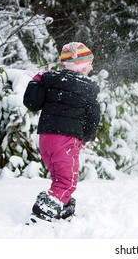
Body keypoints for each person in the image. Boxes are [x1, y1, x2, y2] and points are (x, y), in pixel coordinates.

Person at [23, 42, 101, 222]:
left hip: (45, 138)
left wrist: (36, 81)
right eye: (89, 63)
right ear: (81, 66)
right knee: (68, 181)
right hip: (67, 140)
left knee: (58, 176)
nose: (91, 67)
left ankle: (63, 206)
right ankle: (43, 210)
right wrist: (85, 138)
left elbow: (32, 104)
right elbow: (93, 118)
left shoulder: (49, 79)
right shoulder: (88, 87)